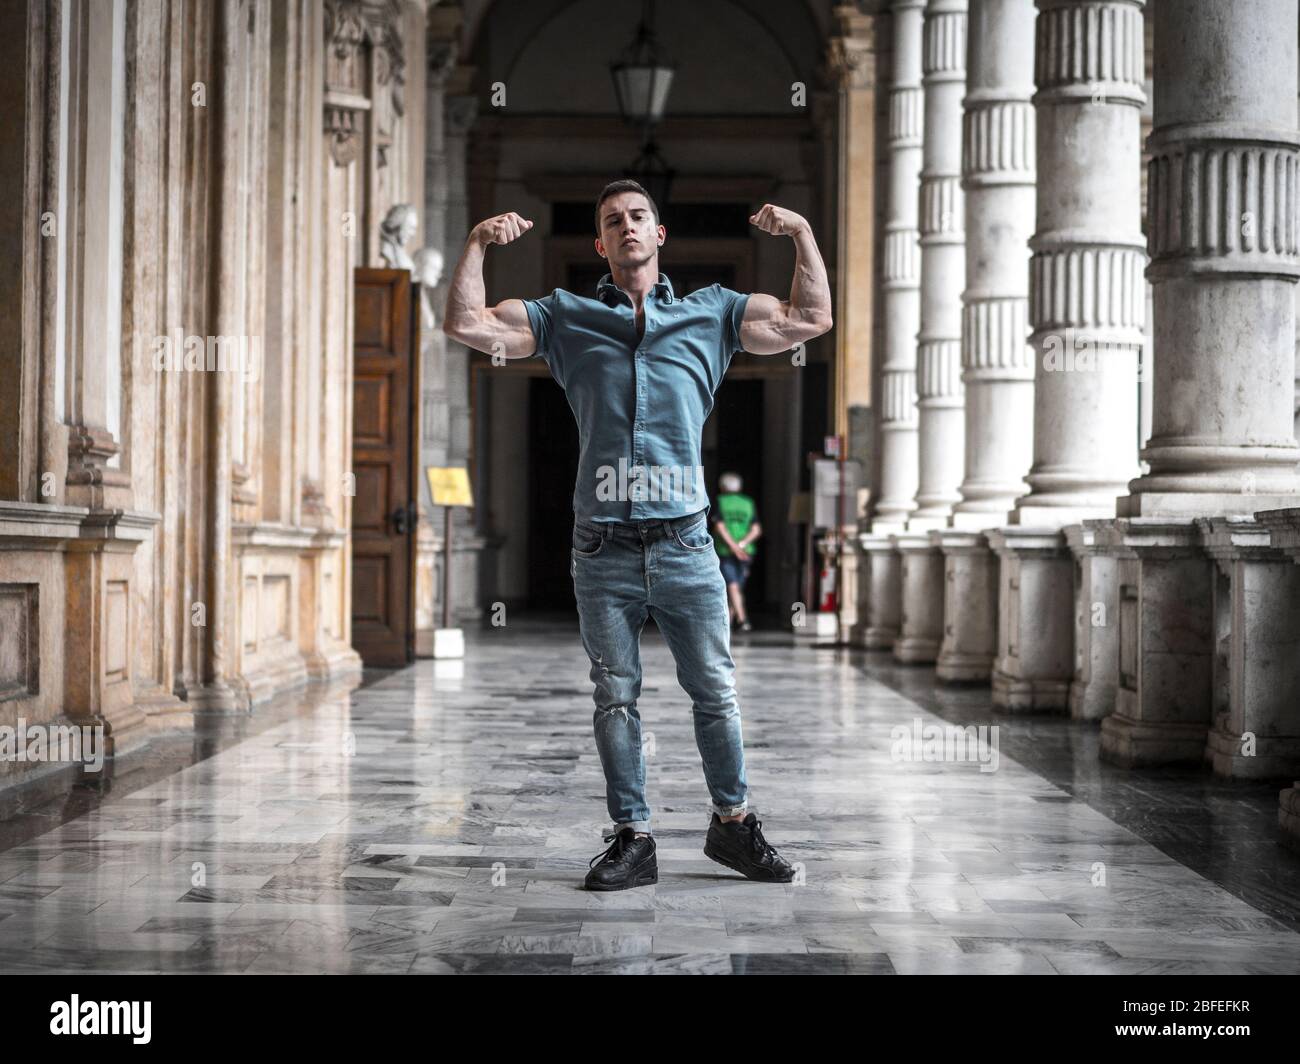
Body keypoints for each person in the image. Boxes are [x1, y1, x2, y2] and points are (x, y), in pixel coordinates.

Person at [443, 179, 832, 890]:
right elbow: (467, 323)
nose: (627, 226)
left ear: (659, 235)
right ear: (600, 244)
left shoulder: (713, 313)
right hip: (603, 549)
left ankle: (735, 828)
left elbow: (810, 317)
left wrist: (801, 232)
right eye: (613, 220)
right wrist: (475, 243)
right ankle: (633, 836)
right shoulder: (565, 318)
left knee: (715, 688)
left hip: (686, 543)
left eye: (639, 216)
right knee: (615, 695)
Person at [712, 473, 761, 632]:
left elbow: (720, 527)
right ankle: (730, 623)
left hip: (725, 550)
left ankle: (740, 619)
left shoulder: (720, 501)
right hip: (746, 551)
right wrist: (742, 545)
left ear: (723, 487)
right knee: (736, 586)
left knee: (732, 585)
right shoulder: (748, 503)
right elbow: (756, 529)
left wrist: (734, 547)